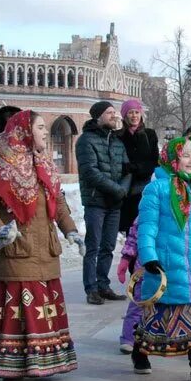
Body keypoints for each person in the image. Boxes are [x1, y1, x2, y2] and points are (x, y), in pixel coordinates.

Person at [0, 110, 83, 381]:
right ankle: (12, 367)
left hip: (44, 248)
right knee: (17, 307)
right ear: (24, 131)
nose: (44, 133)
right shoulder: (0, 162)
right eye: (39, 128)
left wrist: (71, 229)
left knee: (42, 306)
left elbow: (57, 201)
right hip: (15, 249)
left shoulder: (44, 164)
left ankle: (44, 362)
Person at [132, 135, 191, 381]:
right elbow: (147, 227)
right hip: (166, 263)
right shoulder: (156, 189)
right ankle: (140, 351)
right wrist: (149, 256)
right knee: (158, 313)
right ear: (172, 158)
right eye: (186, 155)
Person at [76, 101, 130, 305]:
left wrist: (123, 188)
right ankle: (91, 288)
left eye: (114, 112)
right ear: (98, 116)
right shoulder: (85, 141)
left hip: (114, 203)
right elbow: (90, 172)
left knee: (108, 246)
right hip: (95, 201)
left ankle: (103, 285)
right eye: (109, 113)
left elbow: (127, 169)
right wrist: (117, 189)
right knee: (94, 246)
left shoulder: (116, 141)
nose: (114, 116)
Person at [118, 98, 159, 235]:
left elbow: (154, 161)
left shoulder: (149, 134)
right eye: (130, 112)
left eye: (137, 112)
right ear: (124, 115)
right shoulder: (118, 136)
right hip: (125, 189)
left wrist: (134, 168)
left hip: (144, 188)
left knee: (144, 229)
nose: (134, 115)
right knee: (128, 232)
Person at [116, 217, 142, 354]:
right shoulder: (148, 207)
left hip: (175, 266)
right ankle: (128, 338)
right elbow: (134, 236)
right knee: (138, 303)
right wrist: (126, 258)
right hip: (146, 266)